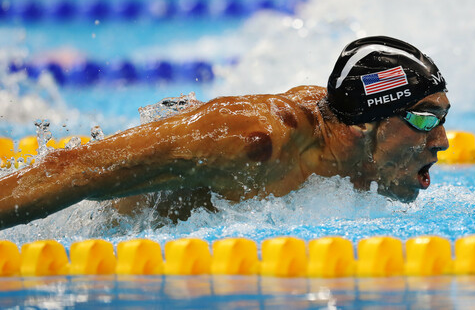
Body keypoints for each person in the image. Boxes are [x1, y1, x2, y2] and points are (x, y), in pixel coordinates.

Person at [0, 36, 450, 230]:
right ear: (366, 124)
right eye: (426, 120)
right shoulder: (253, 139)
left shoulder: (352, 146)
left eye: (443, 119)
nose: (442, 140)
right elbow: (77, 168)